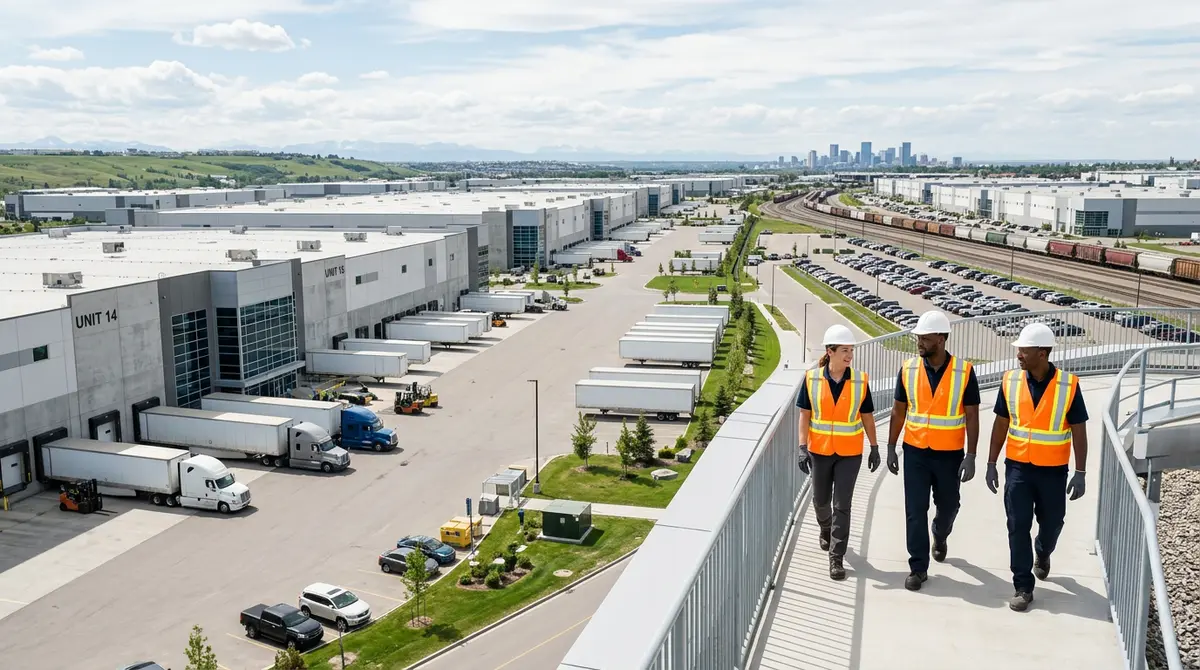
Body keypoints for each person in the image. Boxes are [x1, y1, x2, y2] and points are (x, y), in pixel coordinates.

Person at [985, 322, 1089, 612]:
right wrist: (991, 462)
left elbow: (1079, 430)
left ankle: (1043, 553)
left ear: (1042, 354)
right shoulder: (1010, 381)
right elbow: (1001, 423)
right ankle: (1022, 586)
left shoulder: (1069, 386)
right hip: (1017, 467)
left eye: (1023, 350)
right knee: (1017, 525)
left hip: (1053, 471)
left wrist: (1080, 472)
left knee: (1052, 522)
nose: (1018, 354)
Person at [886, 311, 981, 591]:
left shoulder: (964, 372)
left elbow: (972, 415)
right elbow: (897, 410)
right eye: (918, 338)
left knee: (949, 505)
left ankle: (940, 535)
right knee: (915, 510)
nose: (920, 343)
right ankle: (918, 567)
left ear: (941, 340)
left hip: (949, 454)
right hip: (915, 451)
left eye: (925, 339)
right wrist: (891, 446)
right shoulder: (907, 369)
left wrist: (972, 455)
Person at [797, 324, 880, 581]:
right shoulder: (811, 379)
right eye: (844, 350)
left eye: (851, 351)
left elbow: (867, 416)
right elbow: (805, 416)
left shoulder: (860, 380)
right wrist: (802, 447)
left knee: (842, 505)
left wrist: (875, 446)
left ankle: (836, 557)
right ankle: (825, 529)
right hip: (819, 452)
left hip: (849, 453)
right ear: (829, 352)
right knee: (821, 501)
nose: (849, 356)